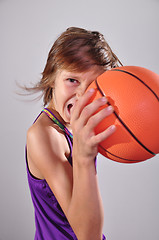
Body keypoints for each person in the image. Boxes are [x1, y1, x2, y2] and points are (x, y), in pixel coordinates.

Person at [25, 27, 122, 240]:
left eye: (94, 85)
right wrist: (84, 157)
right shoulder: (44, 135)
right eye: (72, 80)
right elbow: (88, 236)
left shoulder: (78, 125)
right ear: (51, 78)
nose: (82, 96)